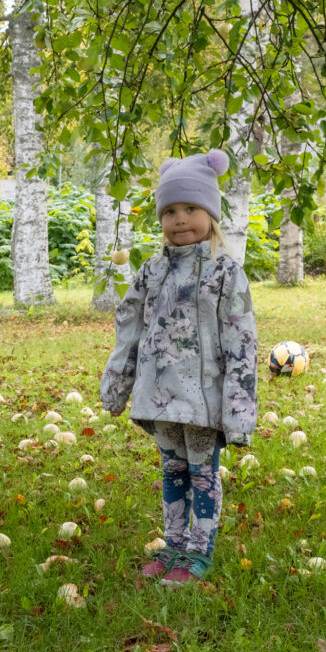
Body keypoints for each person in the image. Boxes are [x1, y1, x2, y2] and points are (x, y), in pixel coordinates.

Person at [100, 149, 258, 586]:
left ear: (210, 213)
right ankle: (173, 545)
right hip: (158, 393)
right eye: (170, 210)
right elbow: (129, 327)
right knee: (172, 468)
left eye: (191, 208)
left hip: (205, 398)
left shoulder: (227, 273)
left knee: (202, 471)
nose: (180, 219)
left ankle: (199, 551)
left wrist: (240, 410)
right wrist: (118, 381)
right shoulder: (151, 271)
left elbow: (242, 341)